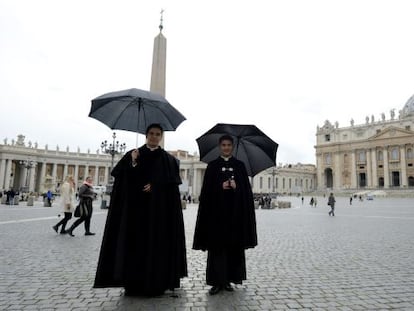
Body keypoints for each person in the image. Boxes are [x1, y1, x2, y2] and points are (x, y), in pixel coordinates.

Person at [94, 123, 187, 297]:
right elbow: (122, 181)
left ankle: (157, 283)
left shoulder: (168, 160)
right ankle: (133, 283)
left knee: (157, 247)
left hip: (159, 214)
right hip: (135, 213)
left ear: (161, 136)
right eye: (151, 133)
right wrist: (133, 163)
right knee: (135, 247)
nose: (154, 136)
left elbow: (171, 189)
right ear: (146, 135)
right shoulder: (134, 154)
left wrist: (155, 186)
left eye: (157, 134)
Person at [193, 135, 257, 295]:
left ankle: (228, 280)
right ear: (219, 146)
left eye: (229, 145)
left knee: (232, 248)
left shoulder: (240, 166)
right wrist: (219, 186)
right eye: (224, 145)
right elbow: (206, 193)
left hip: (234, 216)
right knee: (216, 249)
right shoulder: (212, 166)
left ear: (232, 147)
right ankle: (216, 281)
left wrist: (237, 187)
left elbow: (247, 194)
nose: (226, 147)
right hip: (216, 216)